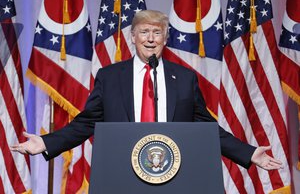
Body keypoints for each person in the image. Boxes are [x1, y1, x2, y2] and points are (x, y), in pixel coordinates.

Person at [11, 10, 282, 170]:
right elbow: (86, 123)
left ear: (165, 38)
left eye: (156, 32)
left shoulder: (185, 78)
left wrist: (248, 153)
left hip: (171, 172)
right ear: (133, 37)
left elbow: (207, 128)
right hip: (123, 173)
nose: (150, 39)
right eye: (143, 32)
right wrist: (46, 143)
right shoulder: (110, 77)